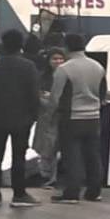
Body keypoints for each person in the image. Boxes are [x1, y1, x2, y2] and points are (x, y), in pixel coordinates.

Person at [0, 30, 42, 207]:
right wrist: (33, 115)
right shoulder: (28, 66)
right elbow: (33, 95)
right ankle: (19, 193)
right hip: (21, 119)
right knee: (18, 156)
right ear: (21, 45)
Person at [51, 33, 108, 204]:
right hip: (94, 117)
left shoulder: (64, 69)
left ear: (66, 47)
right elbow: (103, 92)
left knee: (72, 156)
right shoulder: (98, 66)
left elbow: (56, 96)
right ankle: (94, 191)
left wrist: (52, 113)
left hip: (72, 117)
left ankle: (72, 193)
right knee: (92, 155)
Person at [35, 47, 67, 188]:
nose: (58, 61)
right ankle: (45, 176)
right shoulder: (42, 77)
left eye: (61, 58)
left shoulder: (68, 76)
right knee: (45, 148)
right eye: (54, 59)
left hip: (61, 117)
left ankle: (54, 177)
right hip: (45, 117)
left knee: (58, 147)